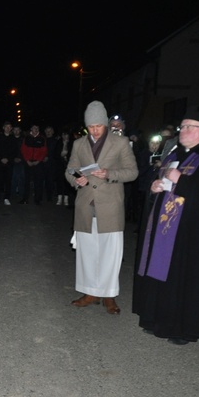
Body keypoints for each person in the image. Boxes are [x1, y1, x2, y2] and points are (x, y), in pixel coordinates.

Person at [132, 107, 199, 345]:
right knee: (164, 275)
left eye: (187, 127)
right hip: (168, 228)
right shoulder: (178, 152)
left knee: (185, 279)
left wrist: (181, 181)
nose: (181, 131)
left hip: (193, 233)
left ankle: (182, 329)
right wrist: (156, 188)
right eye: (181, 126)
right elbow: (166, 180)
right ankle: (157, 320)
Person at [66, 101, 138, 315]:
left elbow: (132, 172)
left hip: (110, 205)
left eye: (98, 126)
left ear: (105, 124)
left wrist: (109, 174)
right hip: (86, 205)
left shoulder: (121, 142)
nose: (95, 130)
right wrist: (76, 179)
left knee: (110, 253)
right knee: (87, 252)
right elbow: (70, 169)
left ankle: (109, 295)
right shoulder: (79, 144)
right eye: (91, 127)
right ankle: (90, 293)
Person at [20, 124, 47, 205]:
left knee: (38, 182)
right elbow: (23, 150)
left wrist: (38, 161)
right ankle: (25, 199)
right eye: (33, 128)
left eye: (37, 128)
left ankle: (37, 200)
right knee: (26, 181)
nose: (35, 129)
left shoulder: (42, 138)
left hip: (38, 163)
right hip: (28, 162)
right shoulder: (27, 138)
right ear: (31, 129)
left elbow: (44, 151)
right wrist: (27, 160)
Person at [0, 121, 15, 205]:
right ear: (3, 128)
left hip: (9, 163)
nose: (8, 128)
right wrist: (1, 158)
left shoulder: (13, 138)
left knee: (8, 180)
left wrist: (8, 159)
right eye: (6, 127)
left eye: (10, 127)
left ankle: (6, 198)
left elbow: (14, 151)